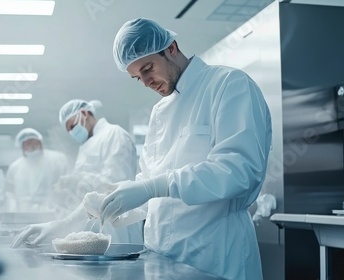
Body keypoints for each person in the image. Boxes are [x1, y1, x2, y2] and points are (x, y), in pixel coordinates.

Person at [99, 18, 272, 280]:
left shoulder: (228, 85)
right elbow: (150, 184)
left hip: (216, 256)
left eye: (148, 68)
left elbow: (239, 171)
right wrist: (112, 207)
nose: (146, 82)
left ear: (171, 48)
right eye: (137, 77)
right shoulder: (159, 112)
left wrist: (153, 187)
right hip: (162, 260)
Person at [11, 100, 144, 246]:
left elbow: (114, 186)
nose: (73, 132)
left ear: (84, 113)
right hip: (91, 226)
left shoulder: (114, 134)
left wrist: (78, 181)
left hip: (116, 229)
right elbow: (84, 190)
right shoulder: (86, 145)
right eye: (69, 130)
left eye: (73, 126)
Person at [4, 128, 70, 212]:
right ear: (22, 146)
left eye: (32, 141)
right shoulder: (15, 167)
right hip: (24, 212)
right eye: (26, 143)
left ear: (40, 142)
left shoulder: (57, 159)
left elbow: (66, 184)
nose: (30, 145)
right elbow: (10, 193)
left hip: (51, 211)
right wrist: (12, 211)